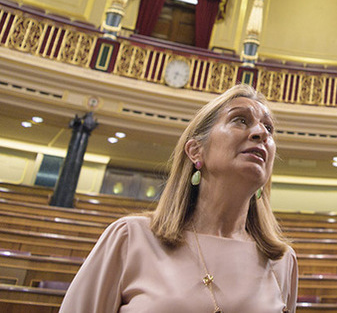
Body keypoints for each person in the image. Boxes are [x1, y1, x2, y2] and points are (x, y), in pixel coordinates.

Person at [60, 84, 298, 312]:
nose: (260, 133)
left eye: (269, 128)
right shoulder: (130, 238)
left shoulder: (282, 261)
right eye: (240, 120)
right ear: (196, 151)